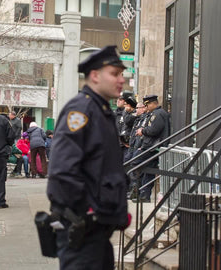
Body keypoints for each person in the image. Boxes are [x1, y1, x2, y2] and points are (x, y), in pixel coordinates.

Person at [47, 45, 130, 269]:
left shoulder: (101, 111)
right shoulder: (81, 111)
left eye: (122, 74)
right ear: (94, 76)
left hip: (97, 231)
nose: (121, 80)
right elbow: (62, 172)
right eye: (114, 74)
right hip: (82, 231)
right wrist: (88, 212)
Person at [133, 94, 170, 202]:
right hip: (152, 146)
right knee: (148, 170)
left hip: (153, 147)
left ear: (154, 103)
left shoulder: (158, 114)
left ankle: (140, 192)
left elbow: (154, 130)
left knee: (135, 162)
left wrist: (142, 131)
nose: (146, 107)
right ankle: (145, 195)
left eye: (147, 105)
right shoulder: (155, 113)